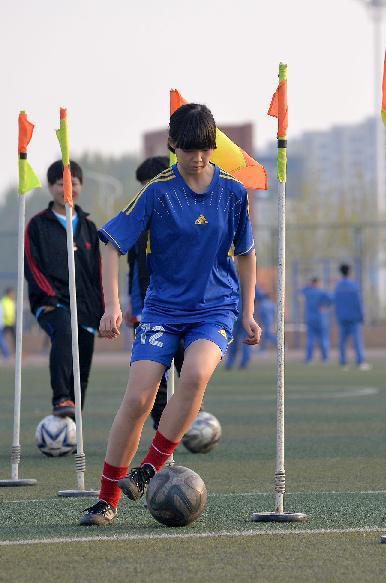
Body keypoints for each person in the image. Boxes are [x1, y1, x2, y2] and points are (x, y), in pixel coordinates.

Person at [80, 103, 260, 525]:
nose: (197, 159)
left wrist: (248, 312)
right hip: (162, 309)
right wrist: (113, 306)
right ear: (173, 146)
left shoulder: (233, 192)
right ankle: (107, 499)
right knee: (139, 399)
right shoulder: (158, 192)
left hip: (215, 308)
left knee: (196, 374)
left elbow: (247, 255)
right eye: (188, 150)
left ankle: (148, 469)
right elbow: (110, 243)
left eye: (205, 150)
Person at [24, 160, 104, 418]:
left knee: (83, 360)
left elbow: (97, 272)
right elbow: (31, 264)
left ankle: (73, 419)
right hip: (52, 302)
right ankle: (61, 398)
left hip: (85, 307)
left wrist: (103, 309)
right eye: (60, 183)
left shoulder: (89, 228)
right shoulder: (37, 225)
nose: (67, 188)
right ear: (50, 187)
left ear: (80, 186)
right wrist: (47, 296)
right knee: (64, 332)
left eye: (73, 183)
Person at [127, 156, 184, 429]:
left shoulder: (185, 219)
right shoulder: (139, 224)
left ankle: (190, 417)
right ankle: (161, 422)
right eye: (142, 186)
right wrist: (135, 309)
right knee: (152, 375)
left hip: (185, 308)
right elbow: (134, 269)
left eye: (148, 183)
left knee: (187, 362)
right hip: (150, 312)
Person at [334, 264, 370, 370]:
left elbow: (336, 302)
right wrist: (362, 315)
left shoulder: (338, 286)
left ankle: (343, 362)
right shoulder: (354, 285)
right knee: (357, 340)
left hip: (342, 317)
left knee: (342, 341)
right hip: (354, 317)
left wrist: (338, 314)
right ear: (349, 271)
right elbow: (358, 302)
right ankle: (360, 361)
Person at [302, 278, 332, 363]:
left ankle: (309, 358)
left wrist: (308, 285)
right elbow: (331, 298)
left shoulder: (308, 292)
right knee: (323, 338)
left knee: (310, 339)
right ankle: (325, 358)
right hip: (320, 318)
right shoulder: (321, 292)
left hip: (310, 318)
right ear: (318, 283)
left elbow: (302, 290)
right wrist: (326, 306)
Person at [225, 294, 252, 370]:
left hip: (234, 316)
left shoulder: (232, 283)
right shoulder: (249, 284)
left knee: (233, 341)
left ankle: (230, 363)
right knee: (246, 341)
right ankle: (243, 363)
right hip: (244, 317)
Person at [255, 285, 277, 351]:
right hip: (270, 321)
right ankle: (263, 349)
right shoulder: (271, 303)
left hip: (265, 321)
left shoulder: (262, 304)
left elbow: (260, 314)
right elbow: (274, 313)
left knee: (267, 335)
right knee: (266, 335)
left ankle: (280, 344)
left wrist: (259, 322)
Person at [1, 287, 16, 353]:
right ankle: (2, 350)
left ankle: (15, 350)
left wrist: (14, 318)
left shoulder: (12, 301)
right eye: (11, 293)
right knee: (1, 337)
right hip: (5, 323)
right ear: (8, 293)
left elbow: (13, 311)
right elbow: (4, 312)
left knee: (15, 337)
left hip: (11, 323)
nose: (13, 294)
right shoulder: (3, 301)